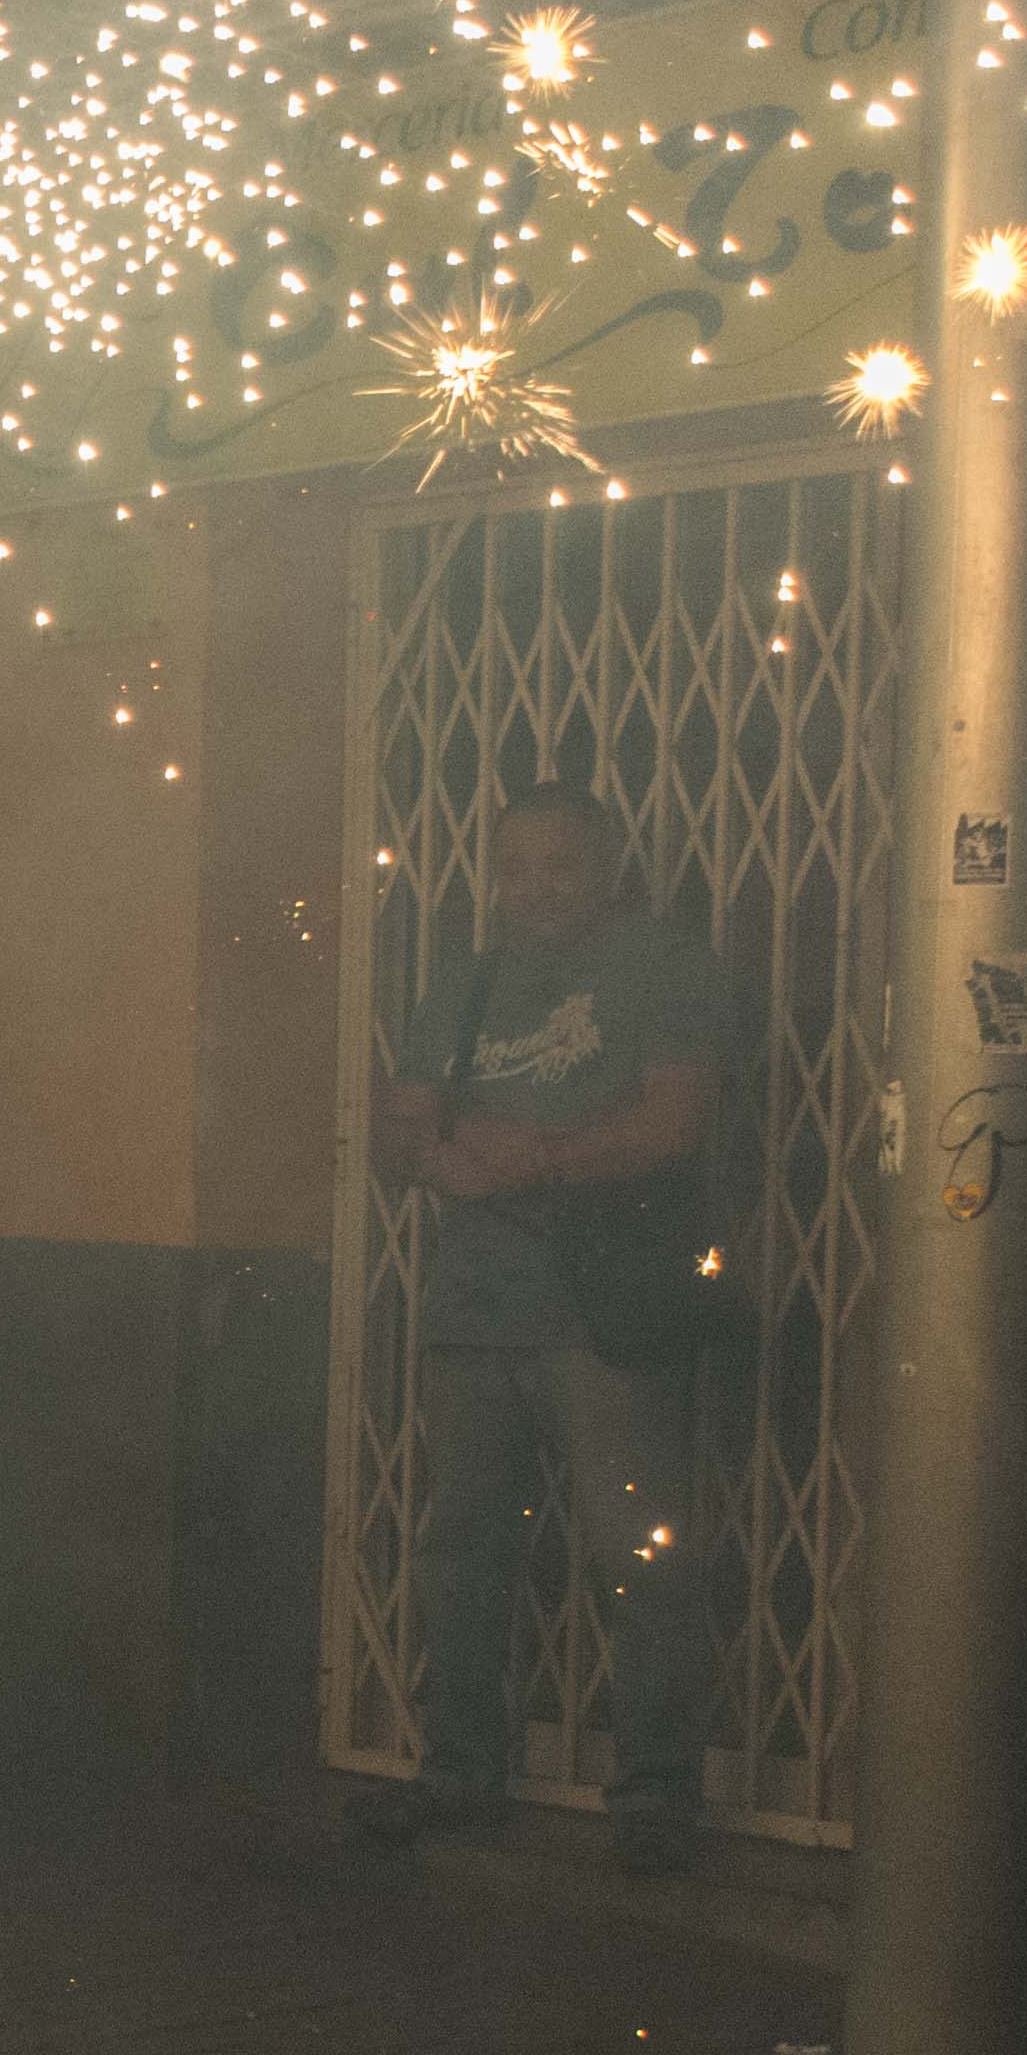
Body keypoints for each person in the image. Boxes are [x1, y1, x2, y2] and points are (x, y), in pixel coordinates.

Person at [361, 781, 741, 1869]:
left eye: (560, 865)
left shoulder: (666, 968)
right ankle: (459, 1775)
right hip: (475, 1313)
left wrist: (518, 1153)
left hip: (603, 1315)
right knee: (463, 1553)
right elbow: (399, 1133)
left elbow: (673, 1119)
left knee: (641, 1558)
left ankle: (656, 1800)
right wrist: (464, 1154)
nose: (536, 888)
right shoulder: (469, 980)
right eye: (516, 867)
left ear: (609, 864)